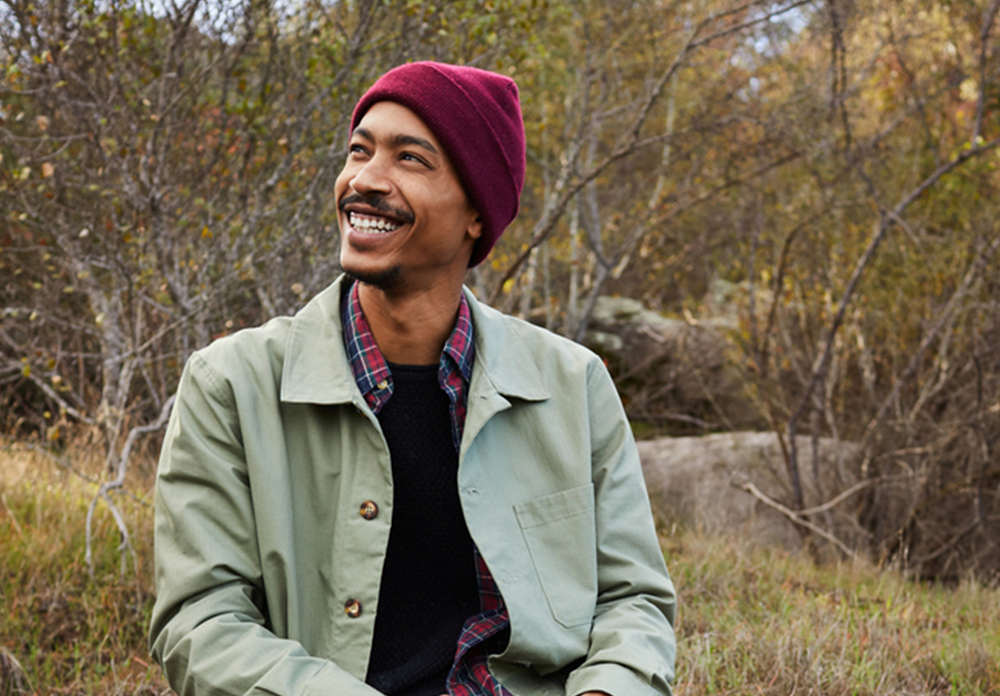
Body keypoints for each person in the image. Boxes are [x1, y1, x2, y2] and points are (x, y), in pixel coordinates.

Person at [148, 61, 677, 696]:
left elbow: (633, 600)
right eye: (359, 150)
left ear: (477, 214)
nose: (365, 180)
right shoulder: (231, 385)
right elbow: (200, 620)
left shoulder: (572, 384)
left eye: (410, 159)